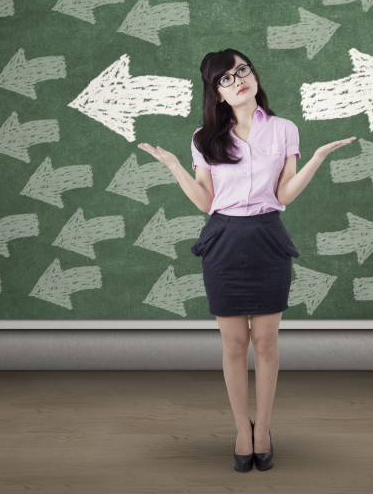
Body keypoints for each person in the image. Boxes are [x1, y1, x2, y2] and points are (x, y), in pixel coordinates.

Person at [138, 48, 354, 472]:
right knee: (234, 344)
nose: (237, 80)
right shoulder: (204, 138)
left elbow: (283, 194)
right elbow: (206, 201)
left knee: (266, 342)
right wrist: (174, 166)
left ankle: (264, 429)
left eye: (242, 70)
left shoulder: (284, 129)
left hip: (267, 236)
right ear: (216, 93)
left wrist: (316, 159)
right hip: (223, 238)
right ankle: (242, 429)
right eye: (225, 78)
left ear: (254, 76)